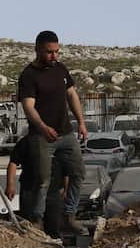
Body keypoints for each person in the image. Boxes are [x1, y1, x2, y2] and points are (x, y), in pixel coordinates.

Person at [17, 30, 89, 234]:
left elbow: (72, 95)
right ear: (38, 50)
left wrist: (81, 123)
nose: (54, 56)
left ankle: (69, 216)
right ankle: (37, 221)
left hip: (65, 133)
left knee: (78, 173)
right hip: (42, 135)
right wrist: (43, 127)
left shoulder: (60, 69)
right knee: (43, 180)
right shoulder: (28, 75)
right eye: (49, 52)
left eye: (57, 52)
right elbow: (28, 106)